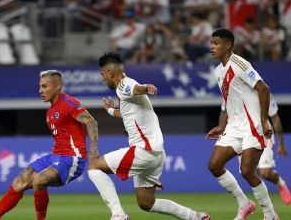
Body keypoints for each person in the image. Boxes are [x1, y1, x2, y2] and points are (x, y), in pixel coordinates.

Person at [88, 52, 211, 220]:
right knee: (146, 203)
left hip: (143, 151)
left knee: (94, 167)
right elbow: (127, 114)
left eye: (102, 74)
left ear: (110, 72)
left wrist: (146, 87)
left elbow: (135, 89)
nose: (102, 78)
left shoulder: (124, 84)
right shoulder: (126, 92)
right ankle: (196, 217)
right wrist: (110, 110)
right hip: (157, 154)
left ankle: (118, 215)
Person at [0, 70, 98, 220]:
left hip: (72, 158)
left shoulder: (69, 103)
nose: (40, 91)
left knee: (39, 180)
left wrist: (94, 152)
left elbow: (91, 122)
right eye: (40, 87)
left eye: (44, 86)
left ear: (57, 86)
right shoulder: (50, 112)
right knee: (19, 182)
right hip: (55, 156)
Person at [207, 28, 279, 220]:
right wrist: (222, 125)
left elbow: (263, 89)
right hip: (234, 126)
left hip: (253, 124)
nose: (212, 47)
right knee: (214, 165)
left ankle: (270, 215)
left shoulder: (239, 63)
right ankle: (245, 203)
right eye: (211, 43)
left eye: (216, 43)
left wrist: (264, 121)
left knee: (247, 170)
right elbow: (227, 100)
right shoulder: (217, 71)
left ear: (228, 45)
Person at [219, 94, 290, 205]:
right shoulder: (229, 91)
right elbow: (224, 113)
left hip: (262, 133)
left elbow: (275, 117)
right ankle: (264, 208)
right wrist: (221, 131)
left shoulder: (260, 90)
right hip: (241, 134)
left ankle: (280, 183)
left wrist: (281, 144)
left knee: (265, 172)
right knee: (249, 173)